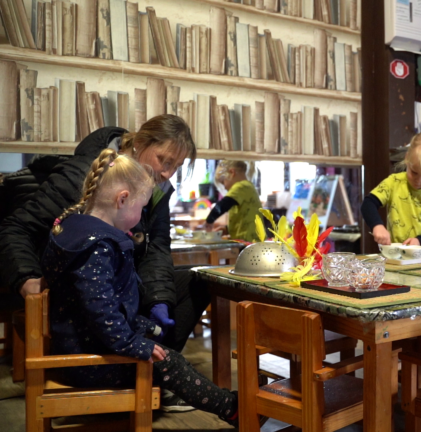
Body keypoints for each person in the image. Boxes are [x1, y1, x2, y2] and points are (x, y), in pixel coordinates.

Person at [0, 115, 206, 411]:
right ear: (139, 143)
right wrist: (26, 279)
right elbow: (16, 227)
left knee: (196, 281)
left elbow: (156, 249)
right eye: (164, 160)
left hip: (122, 282)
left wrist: (160, 299)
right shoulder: (86, 173)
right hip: (86, 292)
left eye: (176, 166)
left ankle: (154, 375)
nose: (167, 172)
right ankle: (134, 376)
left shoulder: (158, 190)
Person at [41, 149, 240, 427]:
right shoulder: (99, 246)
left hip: (77, 343)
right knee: (170, 362)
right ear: (122, 199)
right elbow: (102, 312)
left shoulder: (71, 225)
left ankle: (224, 402)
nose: (140, 216)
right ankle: (232, 408)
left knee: (159, 342)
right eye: (140, 207)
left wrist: (145, 329)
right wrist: (134, 343)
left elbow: (101, 306)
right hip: (86, 361)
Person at [361, 130, 421, 256]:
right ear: (407, 158)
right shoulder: (394, 182)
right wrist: (377, 225)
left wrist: (420, 241)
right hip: (397, 257)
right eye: (414, 173)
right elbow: (368, 204)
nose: (418, 181)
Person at [204, 160, 261, 242]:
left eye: (223, 182)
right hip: (251, 240)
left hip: (247, 241)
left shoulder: (241, 186)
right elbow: (244, 218)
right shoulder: (247, 189)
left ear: (232, 173)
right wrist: (227, 229)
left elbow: (224, 204)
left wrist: (209, 220)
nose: (225, 187)